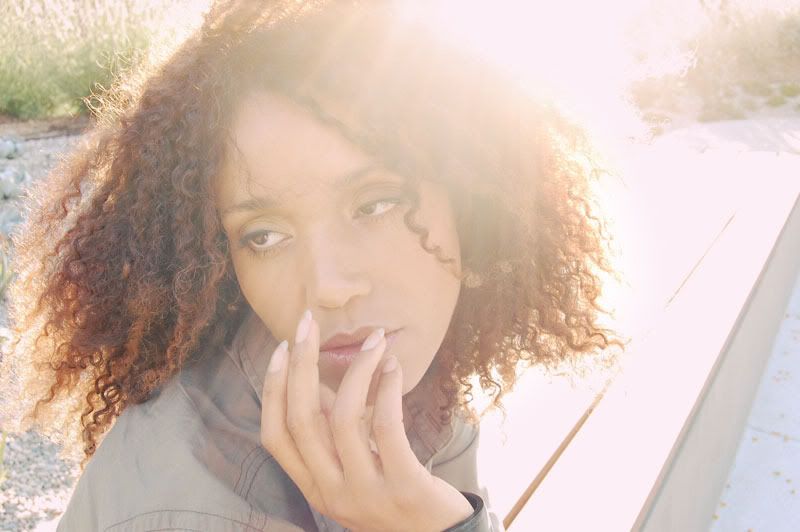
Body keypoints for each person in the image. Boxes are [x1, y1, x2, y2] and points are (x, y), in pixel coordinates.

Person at [0, 0, 625, 530]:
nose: (327, 287)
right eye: (264, 235)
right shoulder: (189, 513)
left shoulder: (410, 376)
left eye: (377, 203)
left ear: (477, 200)